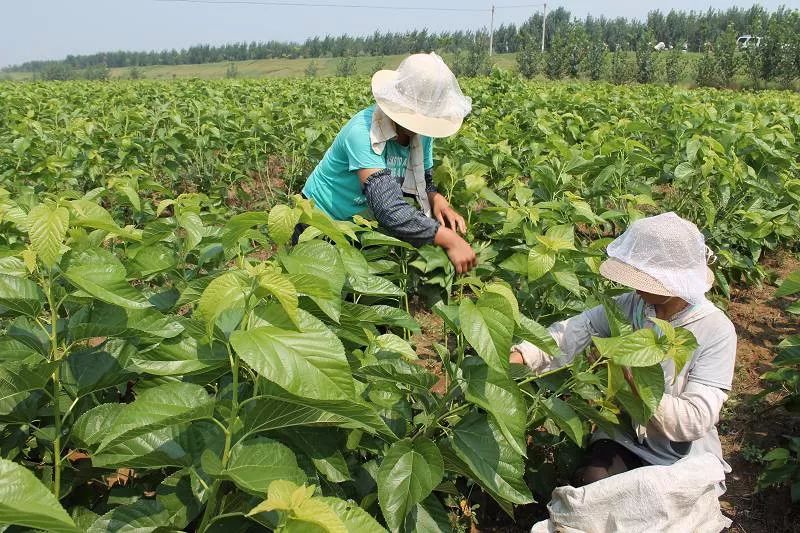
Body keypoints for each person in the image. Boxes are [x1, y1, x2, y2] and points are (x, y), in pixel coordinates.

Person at [510, 212, 737, 487]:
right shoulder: (632, 306)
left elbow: (695, 419)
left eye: (643, 279)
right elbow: (573, 331)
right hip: (625, 435)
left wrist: (632, 375)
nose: (633, 286)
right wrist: (522, 356)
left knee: (661, 505)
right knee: (595, 481)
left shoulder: (715, 330)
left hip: (679, 452)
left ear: (671, 282)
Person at [299, 52, 477, 273]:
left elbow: (424, 181)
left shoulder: (422, 133)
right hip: (320, 221)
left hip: (362, 225)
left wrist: (437, 199)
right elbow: (387, 206)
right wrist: (448, 239)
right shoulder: (363, 133)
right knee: (322, 293)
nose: (419, 127)